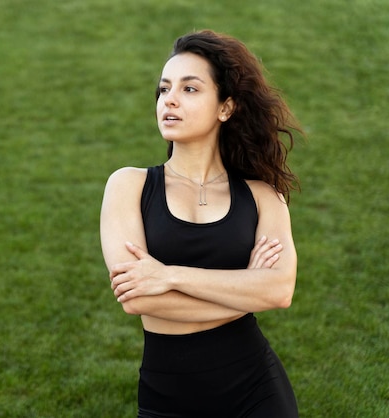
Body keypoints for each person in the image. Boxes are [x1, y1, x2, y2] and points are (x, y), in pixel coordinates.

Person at [100, 30, 302, 417]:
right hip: (167, 397)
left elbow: (278, 291)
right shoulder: (128, 185)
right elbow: (140, 298)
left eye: (190, 89)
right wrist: (244, 289)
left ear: (225, 108)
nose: (169, 100)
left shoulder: (263, 196)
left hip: (256, 391)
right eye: (163, 89)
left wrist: (170, 275)